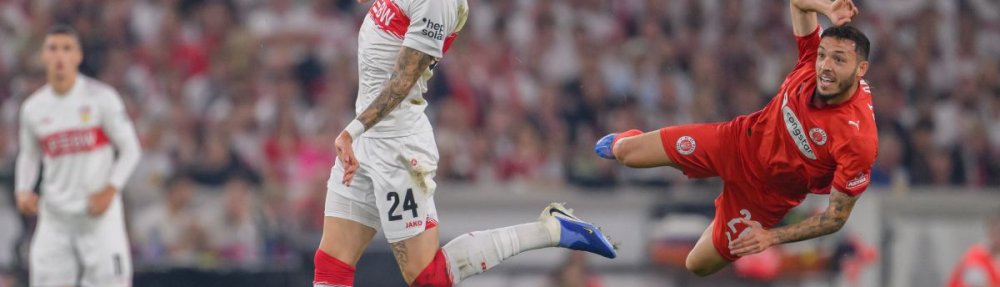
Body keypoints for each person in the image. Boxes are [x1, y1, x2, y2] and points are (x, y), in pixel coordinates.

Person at [314, 0, 617, 286]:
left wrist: (350, 131)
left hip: (397, 149)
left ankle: (551, 230)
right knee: (331, 262)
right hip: (366, 140)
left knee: (427, 278)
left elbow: (404, 80)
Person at [596, 0, 872, 276]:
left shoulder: (857, 139)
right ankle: (633, 140)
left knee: (698, 265)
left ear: (861, 70)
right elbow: (799, 4)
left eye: (838, 60)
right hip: (735, 142)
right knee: (625, 153)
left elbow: (835, 217)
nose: (825, 66)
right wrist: (828, 9)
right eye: (823, 55)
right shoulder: (811, 62)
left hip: (765, 197)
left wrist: (771, 237)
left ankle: (724, 215)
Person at [15, 25, 142, 286]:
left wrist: (110, 189)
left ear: (78, 56)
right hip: (55, 218)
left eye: (67, 48)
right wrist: (23, 189)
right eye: (53, 49)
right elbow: (29, 155)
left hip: (97, 217)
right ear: (44, 56)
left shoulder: (101, 98)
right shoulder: (33, 109)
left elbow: (131, 149)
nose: (60, 56)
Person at [947, 212, 1000, 287]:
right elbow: (976, 283)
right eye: (997, 232)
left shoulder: (995, 259)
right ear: (990, 231)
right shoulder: (976, 256)